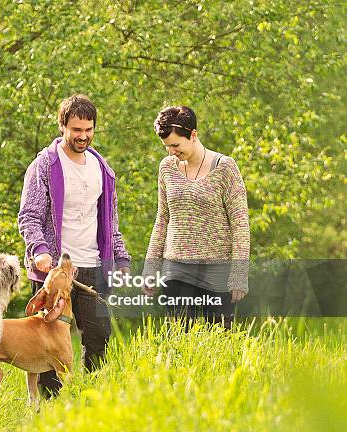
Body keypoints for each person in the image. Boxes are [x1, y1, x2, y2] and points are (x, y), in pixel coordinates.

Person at [18, 94, 131, 397]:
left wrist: (120, 260)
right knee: (49, 345)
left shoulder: (102, 169)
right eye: (76, 130)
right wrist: (39, 251)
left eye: (88, 130)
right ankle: (48, 408)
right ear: (63, 126)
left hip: (93, 265)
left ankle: (92, 401)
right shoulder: (44, 165)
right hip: (55, 271)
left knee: (98, 336)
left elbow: (110, 222)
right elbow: (29, 216)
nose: (83, 136)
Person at [143, 106, 250, 329]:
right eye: (166, 147)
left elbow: (240, 224)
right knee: (179, 340)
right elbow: (162, 219)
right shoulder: (166, 168)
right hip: (176, 268)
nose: (171, 152)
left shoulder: (225, 168)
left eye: (175, 145)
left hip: (216, 269)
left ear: (193, 135)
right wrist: (150, 268)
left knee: (221, 339)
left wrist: (239, 274)